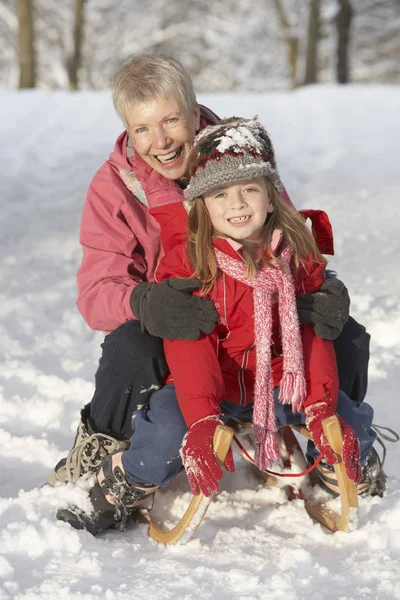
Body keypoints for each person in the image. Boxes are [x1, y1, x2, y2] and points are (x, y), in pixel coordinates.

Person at [49, 54, 367, 490]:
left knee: (342, 331)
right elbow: (96, 291)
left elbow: (283, 234)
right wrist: (142, 301)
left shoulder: (238, 156)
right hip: (180, 322)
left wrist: (324, 288)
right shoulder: (115, 187)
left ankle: (335, 449)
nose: (159, 141)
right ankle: (109, 446)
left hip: (250, 314)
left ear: (194, 112)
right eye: (142, 129)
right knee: (129, 346)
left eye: (171, 121)